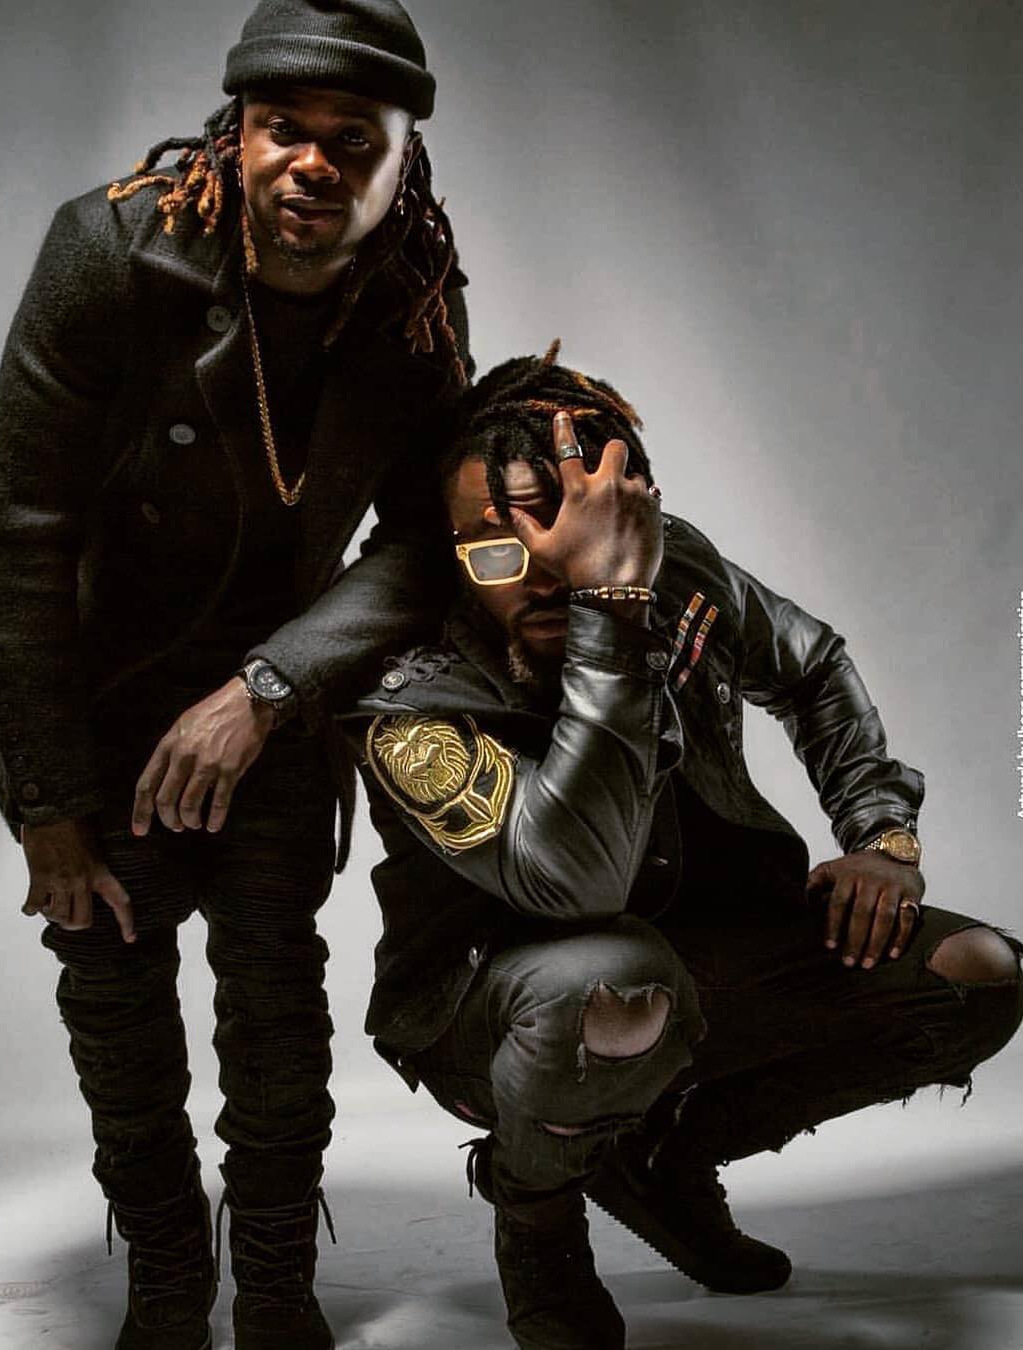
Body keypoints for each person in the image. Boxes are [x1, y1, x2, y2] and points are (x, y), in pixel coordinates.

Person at [339, 344, 1023, 1350]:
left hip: (695, 954)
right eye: (496, 551)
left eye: (577, 541)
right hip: (495, 999)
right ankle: (537, 1221)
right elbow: (576, 884)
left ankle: (660, 1159)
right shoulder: (408, 695)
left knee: (979, 971)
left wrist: (881, 834)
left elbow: (811, 667)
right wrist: (608, 614)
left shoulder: (672, 566)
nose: (543, 576)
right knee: (613, 983)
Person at [0, 3, 471, 1347]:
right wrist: (51, 802)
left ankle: (277, 1291)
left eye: (353, 140)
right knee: (116, 1003)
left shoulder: (416, 296)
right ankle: (163, 1282)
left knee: (276, 1000)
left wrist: (270, 686)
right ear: (236, 133)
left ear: (404, 155)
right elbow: (25, 535)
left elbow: (430, 540)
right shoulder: (111, 250)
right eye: (282, 128)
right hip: (93, 693)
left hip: (274, 696)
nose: (312, 163)